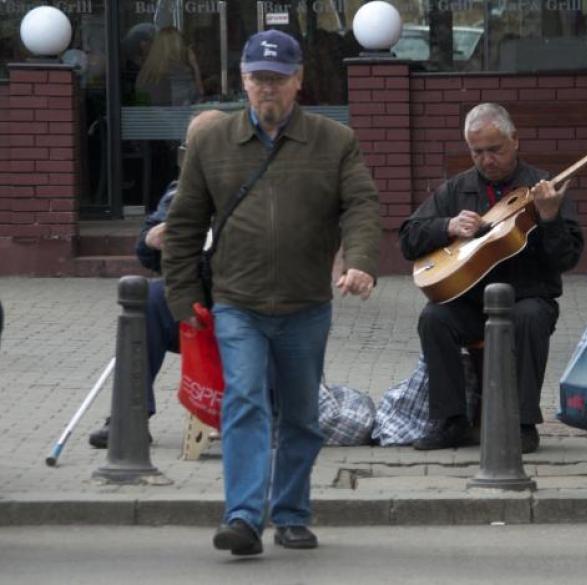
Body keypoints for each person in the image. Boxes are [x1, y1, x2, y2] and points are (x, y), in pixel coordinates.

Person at [162, 30, 381, 556]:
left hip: (306, 304)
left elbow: (362, 206)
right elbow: (185, 223)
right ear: (243, 81)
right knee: (245, 402)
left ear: (298, 81)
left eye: (278, 80)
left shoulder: (334, 140)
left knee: (302, 416)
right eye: (259, 80)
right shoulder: (212, 143)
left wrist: (362, 263)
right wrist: (182, 298)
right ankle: (241, 517)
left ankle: (291, 513)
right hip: (238, 302)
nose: (268, 90)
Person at [399, 103, 584, 454]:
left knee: (530, 317)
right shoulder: (457, 189)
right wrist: (446, 226)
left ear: (515, 140)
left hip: (527, 296)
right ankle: (451, 421)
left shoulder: (543, 188)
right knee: (434, 318)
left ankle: (522, 423)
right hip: (470, 302)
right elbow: (409, 238)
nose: (486, 160)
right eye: (477, 152)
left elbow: (567, 258)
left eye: (494, 150)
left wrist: (550, 219)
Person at [87, 109, 227, 449]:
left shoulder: (254, 186)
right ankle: (131, 416)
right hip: (192, 300)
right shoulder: (180, 190)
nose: (195, 156)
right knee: (148, 300)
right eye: (190, 148)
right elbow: (146, 248)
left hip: (243, 299)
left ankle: (270, 414)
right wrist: (151, 241)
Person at [135, 26, 204, 106]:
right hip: (176, 117)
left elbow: (141, 107)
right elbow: (198, 97)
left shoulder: (144, 76)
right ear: (178, 47)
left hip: (151, 118)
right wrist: (195, 65)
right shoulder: (180, 74)